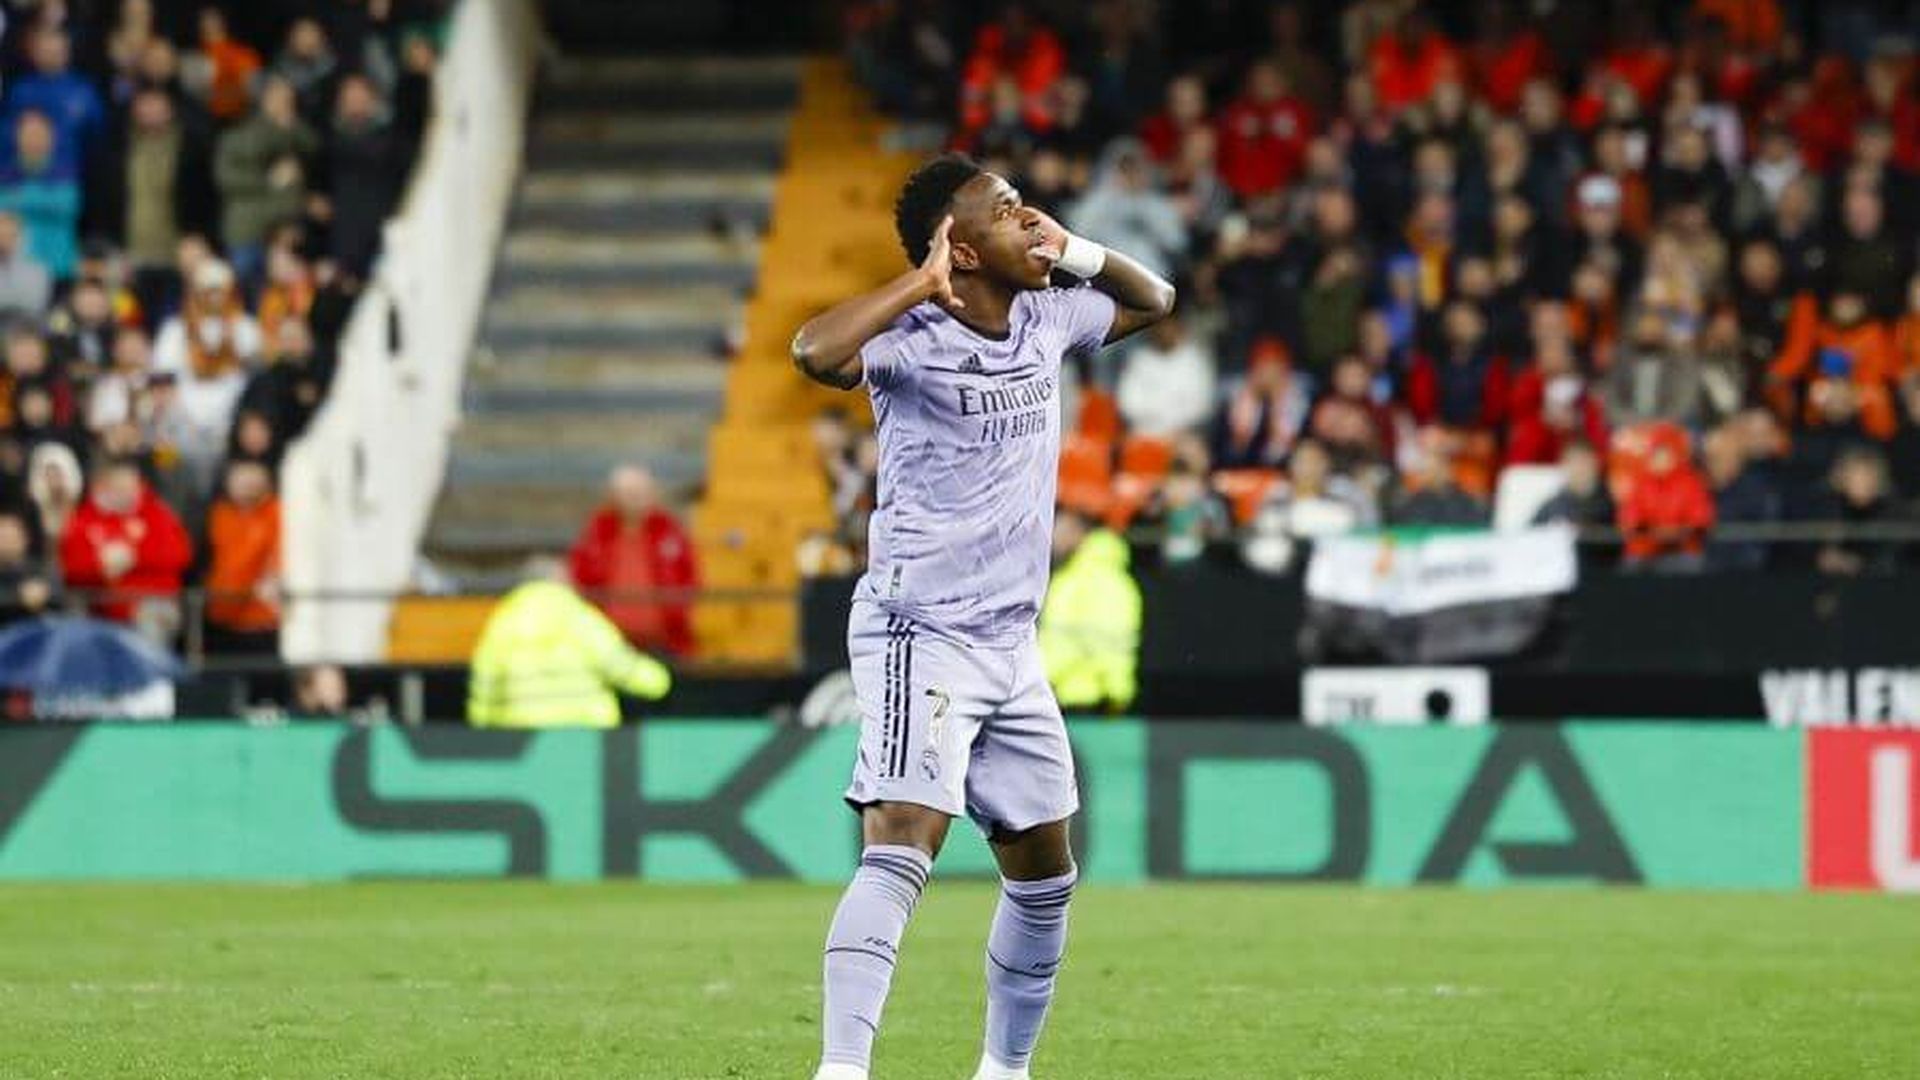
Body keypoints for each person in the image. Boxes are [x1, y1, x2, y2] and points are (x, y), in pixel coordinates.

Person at [790, 152, 1173, 1080]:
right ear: (960, 248)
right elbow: (814, 352)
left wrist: (1072, 246)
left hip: (1010, 643)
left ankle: (1004, 1073)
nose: (1028, 220)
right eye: (1007, 213)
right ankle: (842, 1071)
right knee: (904, 840)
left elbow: (1154, 298)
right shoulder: (910, 334)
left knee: (1046, 875)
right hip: (921, 628)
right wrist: (917, 283)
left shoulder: (1046, 315)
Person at [466, 558, 673, 729]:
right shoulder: (579, 615)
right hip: (586, 730)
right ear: (561, 580)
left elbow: (486, 677)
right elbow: (616, 663)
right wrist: (660, 681)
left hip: (524, 728)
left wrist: (481, 721)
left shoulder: (504, 620)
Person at [566, 464, 699, 657]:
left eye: (640, 492)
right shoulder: (597, 534)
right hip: (608, 641)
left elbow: (689, 578)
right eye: (628, 492)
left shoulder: (670, 532)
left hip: (664, 641)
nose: (635, 499)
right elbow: (580, 577)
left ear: (653, 493)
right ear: (613, 496)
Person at [57, 457, 192, 636]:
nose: (126, 493)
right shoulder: (84, 520)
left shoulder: (158, 514)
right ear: (104, 487)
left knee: (152, 619)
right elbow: (71, 569)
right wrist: (101, 567)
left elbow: (179, 556)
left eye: (130, 486)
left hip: (150, 603)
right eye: (118, 487)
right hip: (98, 605)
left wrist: (134, 557)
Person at [1038, 512, 1140, 712]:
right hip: (1081, 694)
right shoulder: (1102, 577)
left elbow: (1096, 638)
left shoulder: (1086, 581)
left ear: (1078, 533)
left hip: (1082, 695)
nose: (1054, 537)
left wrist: (1046, 679)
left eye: (1061, 529)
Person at [203, 459, 281, 653]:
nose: (248, 486)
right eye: (241, 479)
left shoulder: (278, 513)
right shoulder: (218, 514)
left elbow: (282, 557)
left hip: (262, 621)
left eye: (254, 480)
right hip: (219, 617)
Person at [1114, 307, 1214, 437]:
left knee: (1194, 453)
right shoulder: (1139, 360)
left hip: (1183, 434)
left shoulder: (1195, 359)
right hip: (1144, 434)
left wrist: (1168, 424)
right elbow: (1127, 404)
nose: (1163, 331)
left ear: (1179, 326)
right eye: (1159, 326)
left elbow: (1201, 407)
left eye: (1168, 325)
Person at [0, 509, 56, 626]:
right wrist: (20, 598)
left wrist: (43, 596)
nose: (7, 542)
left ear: (25, 539)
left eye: (12, 537)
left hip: (38, 634)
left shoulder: (42, 567)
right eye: (3, 537)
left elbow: (59, 597)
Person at [0, 211, 51, 319]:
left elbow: (36, 303)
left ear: (21, 237)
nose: (4, 241)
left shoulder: (38, 270)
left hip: (26, 327)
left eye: (10, 235)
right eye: (1, 235)